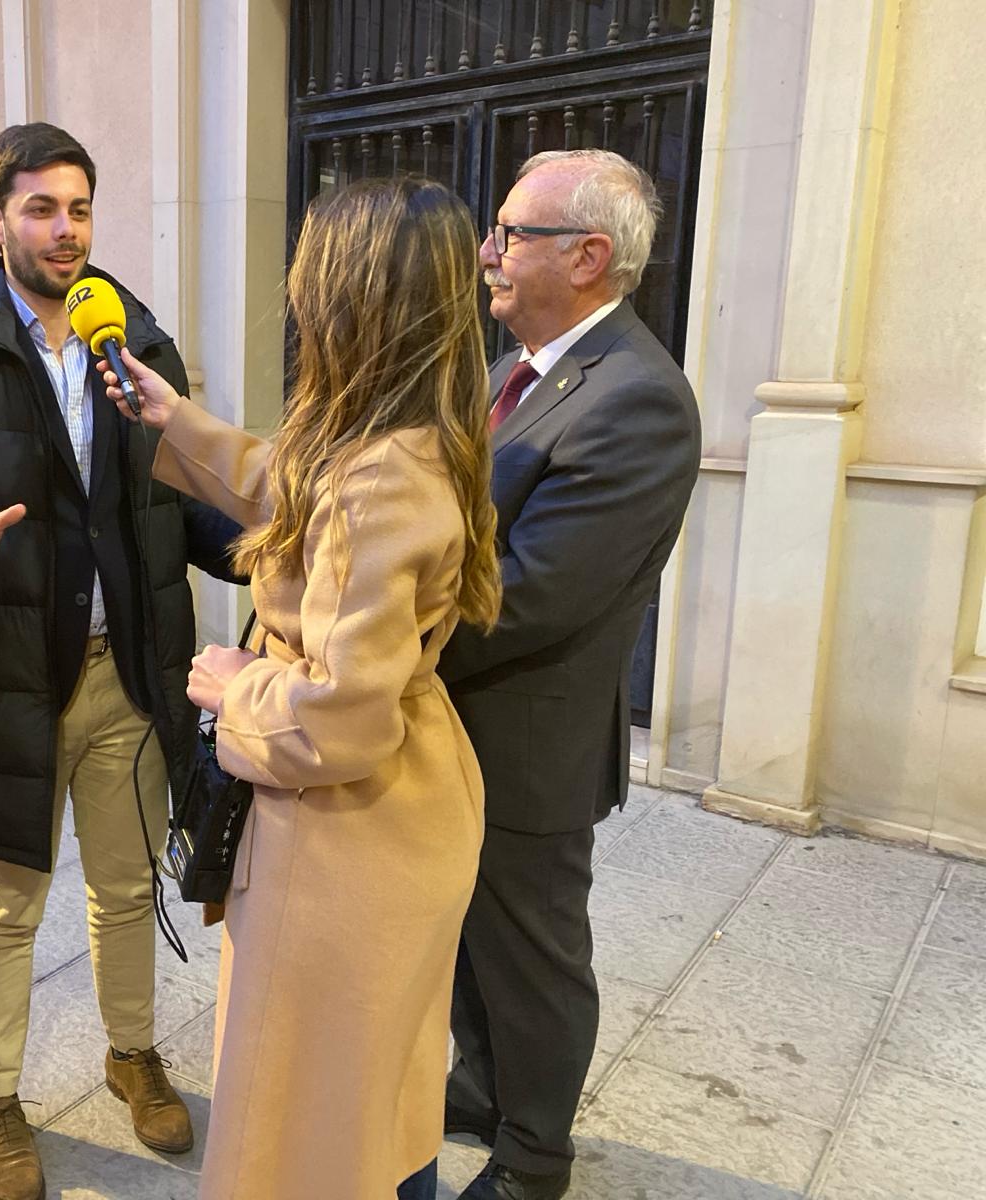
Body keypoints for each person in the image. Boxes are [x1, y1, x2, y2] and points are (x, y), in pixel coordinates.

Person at [0, 121, 241, 1200]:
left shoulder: (136, 345)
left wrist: (261, 546)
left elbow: (175, 504)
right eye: (40, 208)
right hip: (9, 675)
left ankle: (132, 1054)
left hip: (129, 671)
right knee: (6, 908)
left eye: (78, 207)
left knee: (125, 888)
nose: (64, 229)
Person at [100, 176, 502, 1200]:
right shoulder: (408, 436)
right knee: (370, 1109)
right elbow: (300, 489)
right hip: (395, 825)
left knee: (311, 1135)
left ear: (348, 294)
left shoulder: (380, 474)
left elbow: (338, 722)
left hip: (344, 842)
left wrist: (234, 687)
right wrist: (176, 417)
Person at [437, 149, 701, 1200]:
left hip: (527, 741)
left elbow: (529, 592)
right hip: (457, 724)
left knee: (532, 957)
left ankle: (534, 1153)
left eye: (511, 234)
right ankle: (482, 1084)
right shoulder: (523, 367)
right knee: (464, 934)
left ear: (588, 256)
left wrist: (361, 630)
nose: (489, 253)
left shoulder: (636, 398)